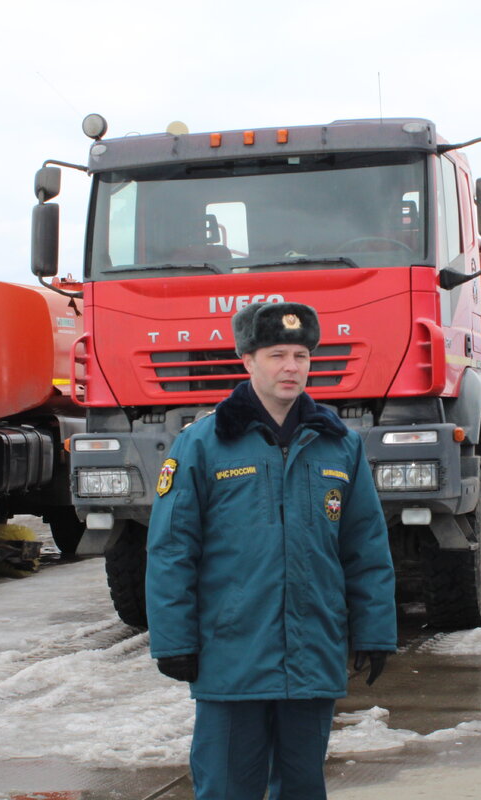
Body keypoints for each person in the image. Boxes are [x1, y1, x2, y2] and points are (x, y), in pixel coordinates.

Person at [145, 301, 397, 800]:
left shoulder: (338, 444)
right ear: (247, 360)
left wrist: (374, 629)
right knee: (227, 788)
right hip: (232, 656)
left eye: (301, 355)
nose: (291, 367)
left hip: (312, 656)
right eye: (277, 354)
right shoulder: (203, 444)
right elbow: (172, 550)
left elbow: (365, 546)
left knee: (303, 787)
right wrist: (173, 641)